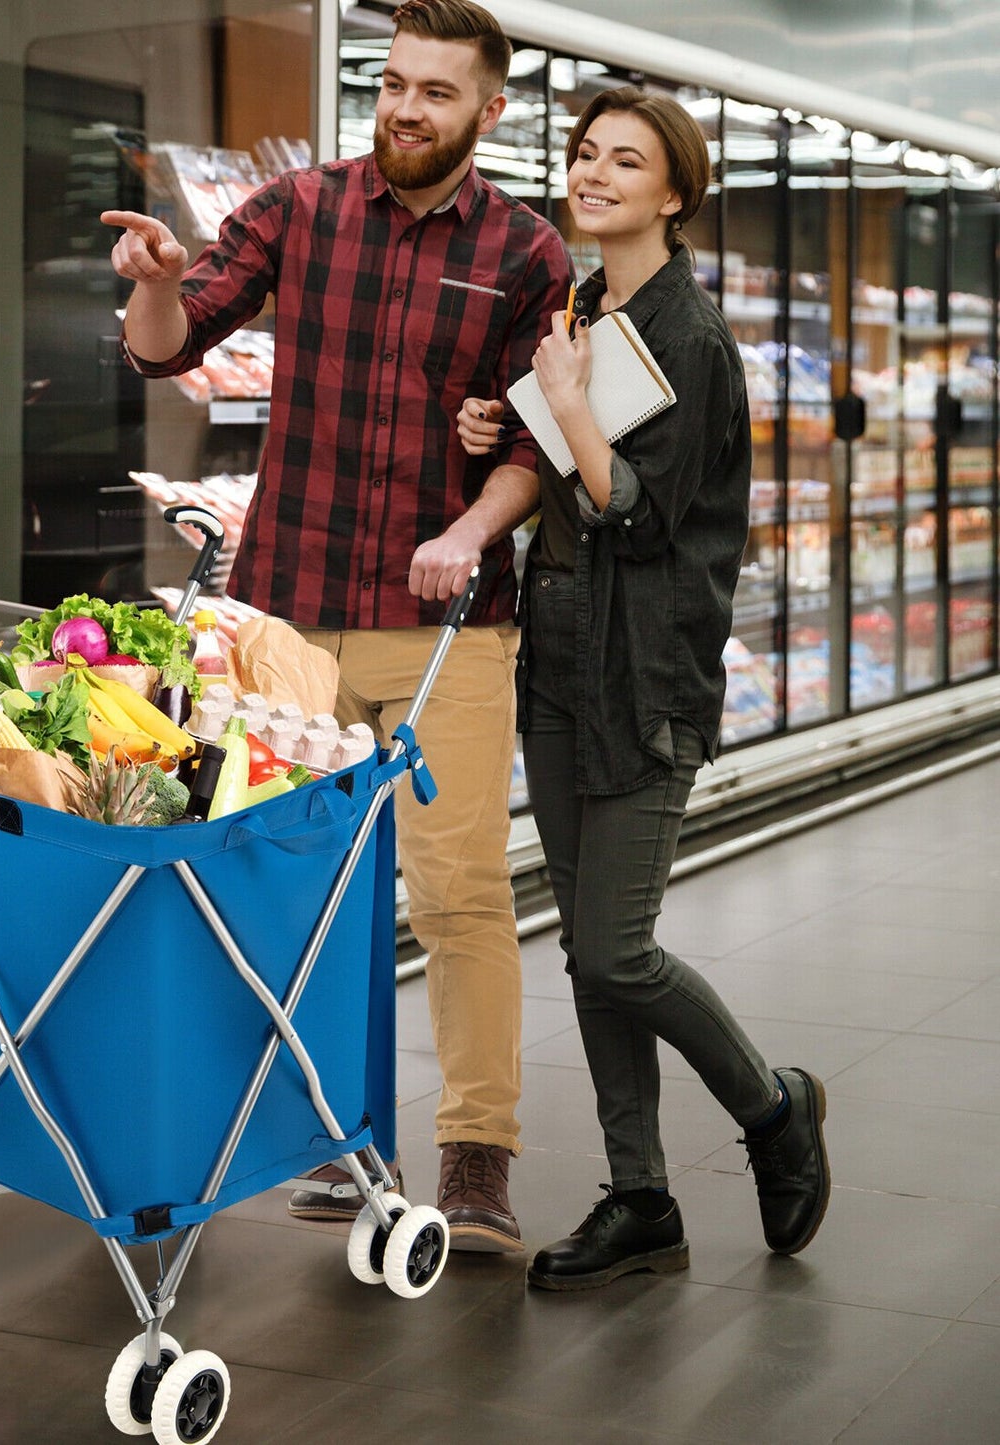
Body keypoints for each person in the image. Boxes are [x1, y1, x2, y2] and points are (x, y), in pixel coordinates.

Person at [103, 0, 572, 1253]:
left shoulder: (526, 254)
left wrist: (472, 529)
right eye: (395, 84)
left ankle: (476, 1157)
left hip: (446, 626)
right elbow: (170, 338)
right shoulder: (296, 211)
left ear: (488, 110)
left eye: (435, 92)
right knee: (302, 891)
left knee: (459, 891)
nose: (405, 109)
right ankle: (337, 1130)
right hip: (290, 622)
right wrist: (153, 288)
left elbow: (538, 440)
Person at [457, 86, 830, 1289]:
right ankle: (639, 1194)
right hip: (558, 658)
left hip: (645, 671)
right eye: (581, 154)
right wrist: (504, 429)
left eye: (625, 160)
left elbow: (633, 505)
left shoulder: (692, 336)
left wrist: (562, 407)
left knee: (616, 950)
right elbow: (566, 478)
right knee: (583, 948)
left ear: (673, 193)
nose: (593, 172)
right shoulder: (579, 305)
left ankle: (772, 1107)